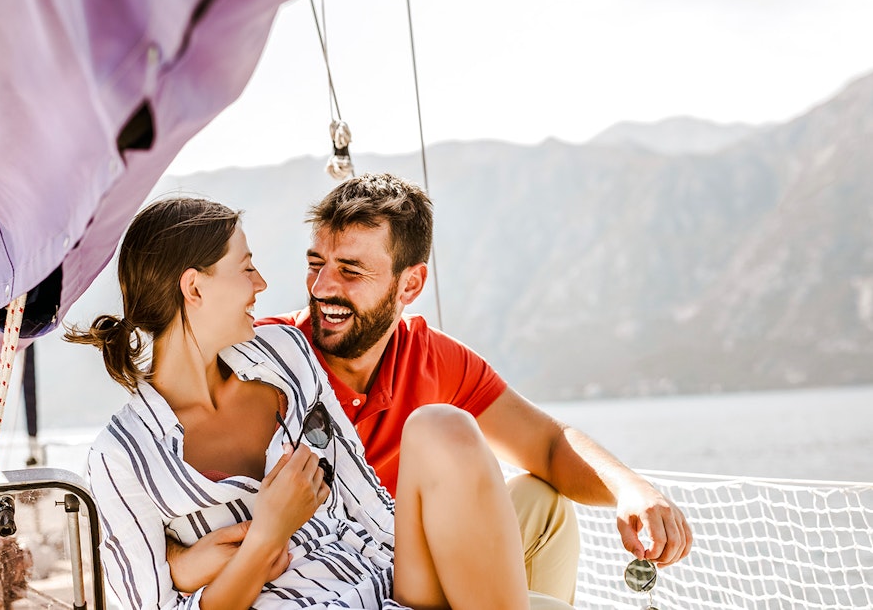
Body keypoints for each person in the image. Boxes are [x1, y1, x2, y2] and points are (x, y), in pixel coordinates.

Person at [171, 172, 693, 605]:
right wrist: (184, 560)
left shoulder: (433, 357)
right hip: (335, 582)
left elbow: (551, 446)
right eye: (316, 265)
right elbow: (168, 490)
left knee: (544, 502)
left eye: (351, 271)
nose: (322, 287)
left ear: (410, 285)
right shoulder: (265, 360)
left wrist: (632, 489)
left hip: (411, 560)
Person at [67, 197, 572, 609]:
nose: (262, 285)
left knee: (443, 427)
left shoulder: (285, 355)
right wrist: (267, 535)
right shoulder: (120, 458)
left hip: (384, 584)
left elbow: (369, 503)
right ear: (194, 288)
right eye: (246, 269)